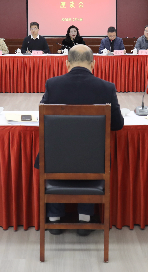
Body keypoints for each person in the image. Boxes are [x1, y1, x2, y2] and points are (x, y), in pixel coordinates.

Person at [37, 44, 124, 236]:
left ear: (67, 64)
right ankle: (85, 217)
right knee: (89, 154)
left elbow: (43, 120)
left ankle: (54, 217)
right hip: (93, 161)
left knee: (56, 151)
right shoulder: (107, 87)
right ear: (93, 64)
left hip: (57, 159)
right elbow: (117, 125)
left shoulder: (52, 84)